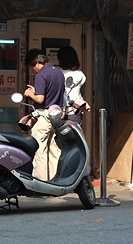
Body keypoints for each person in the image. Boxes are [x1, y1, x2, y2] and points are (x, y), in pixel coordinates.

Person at [23, 50, 65, 181]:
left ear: (37, 63)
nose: (33, 70)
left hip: (45, 116)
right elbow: (51, 94)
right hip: (58, 115)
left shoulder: (41, 75)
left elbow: (40, 99)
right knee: (54, 149)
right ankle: (55, 180)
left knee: (38, 147)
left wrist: (30, 94)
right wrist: (38, 92)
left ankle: (39, 182)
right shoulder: (58, 72)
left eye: (32, 67)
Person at [57, 46, 89, 126]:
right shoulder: (80, 75)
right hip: (75, 111)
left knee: (59, 136)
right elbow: (82, 92)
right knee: (74, 135)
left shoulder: (57, 74)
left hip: (58, 112)